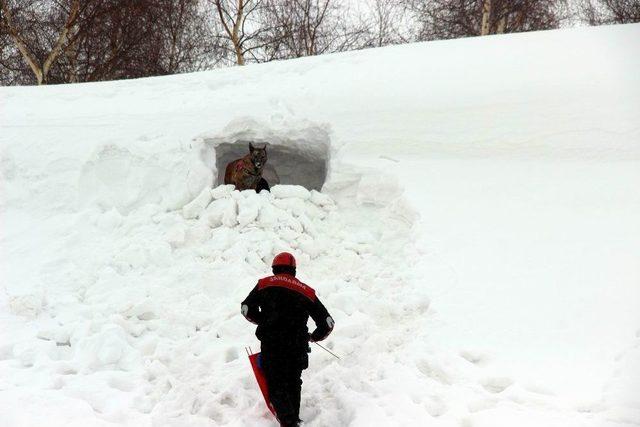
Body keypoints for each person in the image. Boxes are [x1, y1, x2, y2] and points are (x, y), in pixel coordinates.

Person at [241, 252, 335, 427]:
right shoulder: (307, 292)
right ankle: (293, 419)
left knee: (276, 382)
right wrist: (313, 337)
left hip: (272, 343)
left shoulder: (264, 284)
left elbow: (246, 308)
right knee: (293, 382)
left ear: (274, 269)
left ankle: (290, 423)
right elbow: (328, 323)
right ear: (294, 271)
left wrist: (264, 320)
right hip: (297, 346)